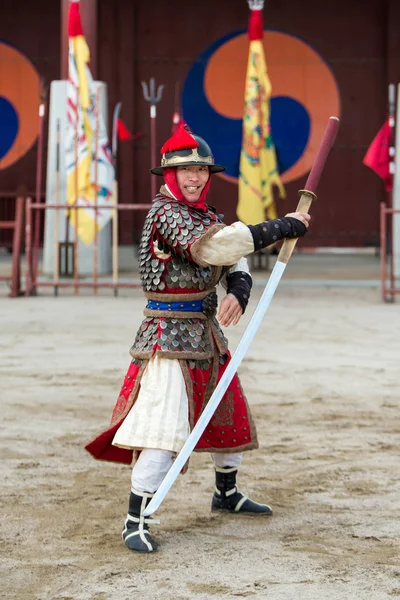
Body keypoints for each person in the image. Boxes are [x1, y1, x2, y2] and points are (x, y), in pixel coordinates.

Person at [85, 123, 310, 553]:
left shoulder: (207, 217)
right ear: (169, 176)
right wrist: (282, 226)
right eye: (186, 171)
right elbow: (212, 250)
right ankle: (135, 518)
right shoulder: (166, 214)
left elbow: (234, 258)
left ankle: (226, 492)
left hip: (206, 333)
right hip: (167, 336)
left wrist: (239, 294)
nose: (195, 178)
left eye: (201, 170)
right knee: (165, 427)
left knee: (228, 413)